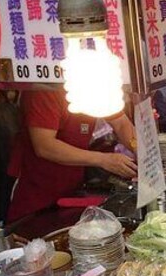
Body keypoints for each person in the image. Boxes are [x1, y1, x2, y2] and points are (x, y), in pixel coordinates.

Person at [7, 90, 137, 222]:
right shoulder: (43, 90)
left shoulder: (94, 87)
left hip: (70, 192)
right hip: (36, 193)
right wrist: (104, 160)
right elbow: (44, 146)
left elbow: (121, 124)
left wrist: (142, 153)